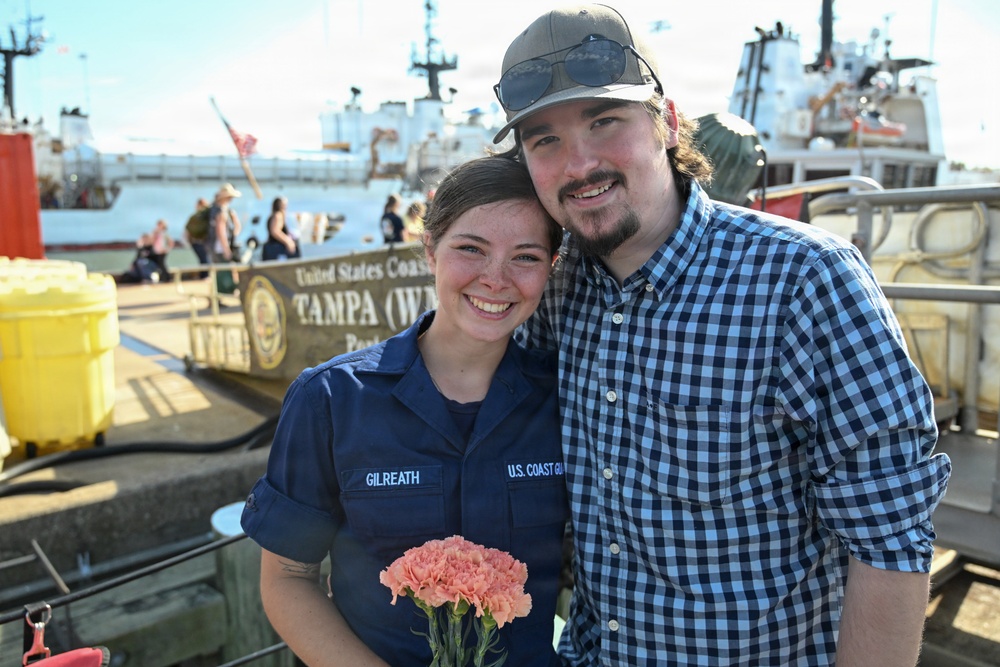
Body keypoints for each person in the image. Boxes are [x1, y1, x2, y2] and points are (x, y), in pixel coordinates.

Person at [492, 5, 952, 666]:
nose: (580, 163)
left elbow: (888, 539)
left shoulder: (806, 279)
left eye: (604, 121)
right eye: (545, 141)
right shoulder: (553, 288)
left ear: (667, 121)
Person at [240, 156, 568, 667]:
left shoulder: (569, 401)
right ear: (430, 249)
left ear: (551, 267)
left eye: (525, 257)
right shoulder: (331, 399)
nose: (495, 279)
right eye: (471, 248)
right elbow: (287, 576)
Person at [208, 183, 242, 264]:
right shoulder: (221, 212)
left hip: (215, 248)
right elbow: (221, 231)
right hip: (220, 249)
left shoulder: (215, 209)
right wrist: (226, 250)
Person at [261, 196, 300, 261]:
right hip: (277, 249)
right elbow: (275, 231)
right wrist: (288, 242)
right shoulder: (278, 215)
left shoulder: (274, 215)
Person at [184, 197, 211, 278]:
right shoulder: (203, 217)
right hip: (202, 242)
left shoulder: (194, 217)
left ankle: (204, 275)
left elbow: (187, 232)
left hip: (197, 242)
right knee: (204, 260)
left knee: (203, 260)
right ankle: (205, 276)